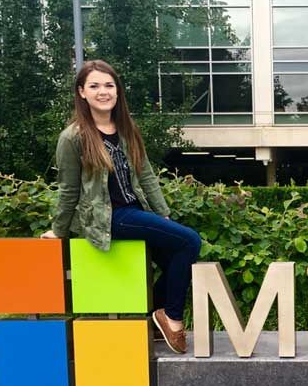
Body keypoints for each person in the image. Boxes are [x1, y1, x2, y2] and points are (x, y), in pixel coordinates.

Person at [41, 60, 200, 354]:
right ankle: (171, 317)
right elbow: (68, 188)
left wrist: (162, 211)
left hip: (134, 211)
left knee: (177, 258)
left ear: (117, 91)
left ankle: (154, 316)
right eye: (95, 86)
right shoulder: (73, 137)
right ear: (82, 92)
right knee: (190, 240)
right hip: (108, 218)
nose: (103, 91)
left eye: (109, 85)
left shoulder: (126, 129)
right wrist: (59, 230)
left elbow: (146, 173)